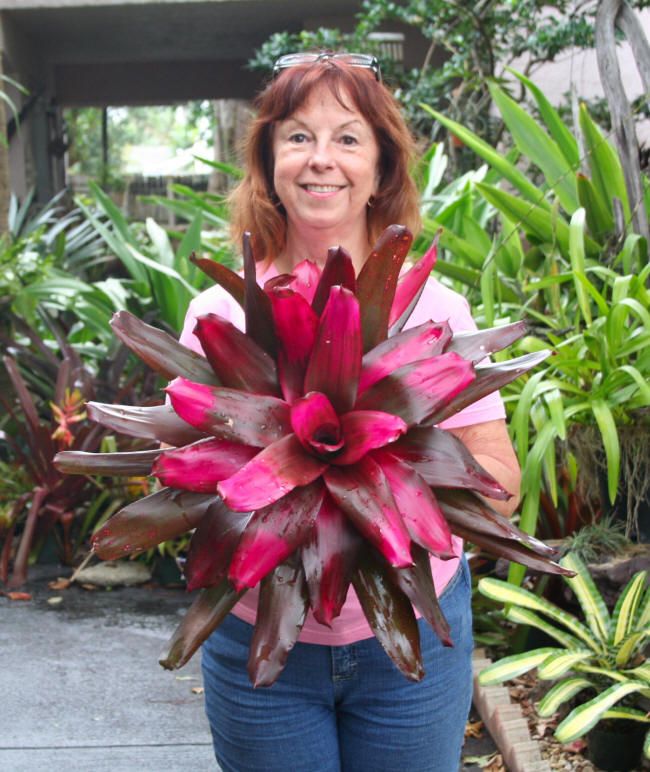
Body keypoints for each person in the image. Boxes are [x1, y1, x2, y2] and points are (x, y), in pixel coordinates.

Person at [178, 52, 521, 772]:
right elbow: (181, 475)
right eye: (297, 136)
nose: (320, 160)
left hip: (406, 642)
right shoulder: (220, 312)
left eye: (347, 137)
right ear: (269, 158)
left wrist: (382, 509)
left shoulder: (435, 311)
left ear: (382, 165)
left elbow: (501, 483)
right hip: (261, 644)